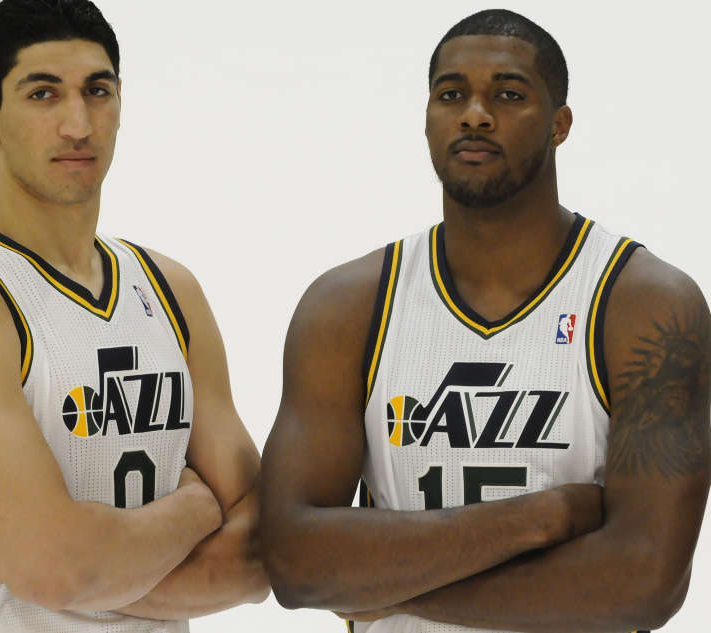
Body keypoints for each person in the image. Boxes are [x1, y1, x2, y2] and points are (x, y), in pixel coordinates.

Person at [260, 9, 710, 633]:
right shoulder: (347, 306)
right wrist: (543, 517)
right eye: (451, 95)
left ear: (560, 125)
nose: (474, 113)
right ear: (426, 119)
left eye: (507, 93)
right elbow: (293, 564)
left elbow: (645, 580)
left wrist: (389, 588)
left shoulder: (647, 305)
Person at [0, 1, 268, 631]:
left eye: (97, 91)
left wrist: (85, 565)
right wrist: (197, 507)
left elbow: (263, 552)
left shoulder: (169, 289)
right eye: (42, 94)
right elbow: (56, 568)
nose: (78, 124)